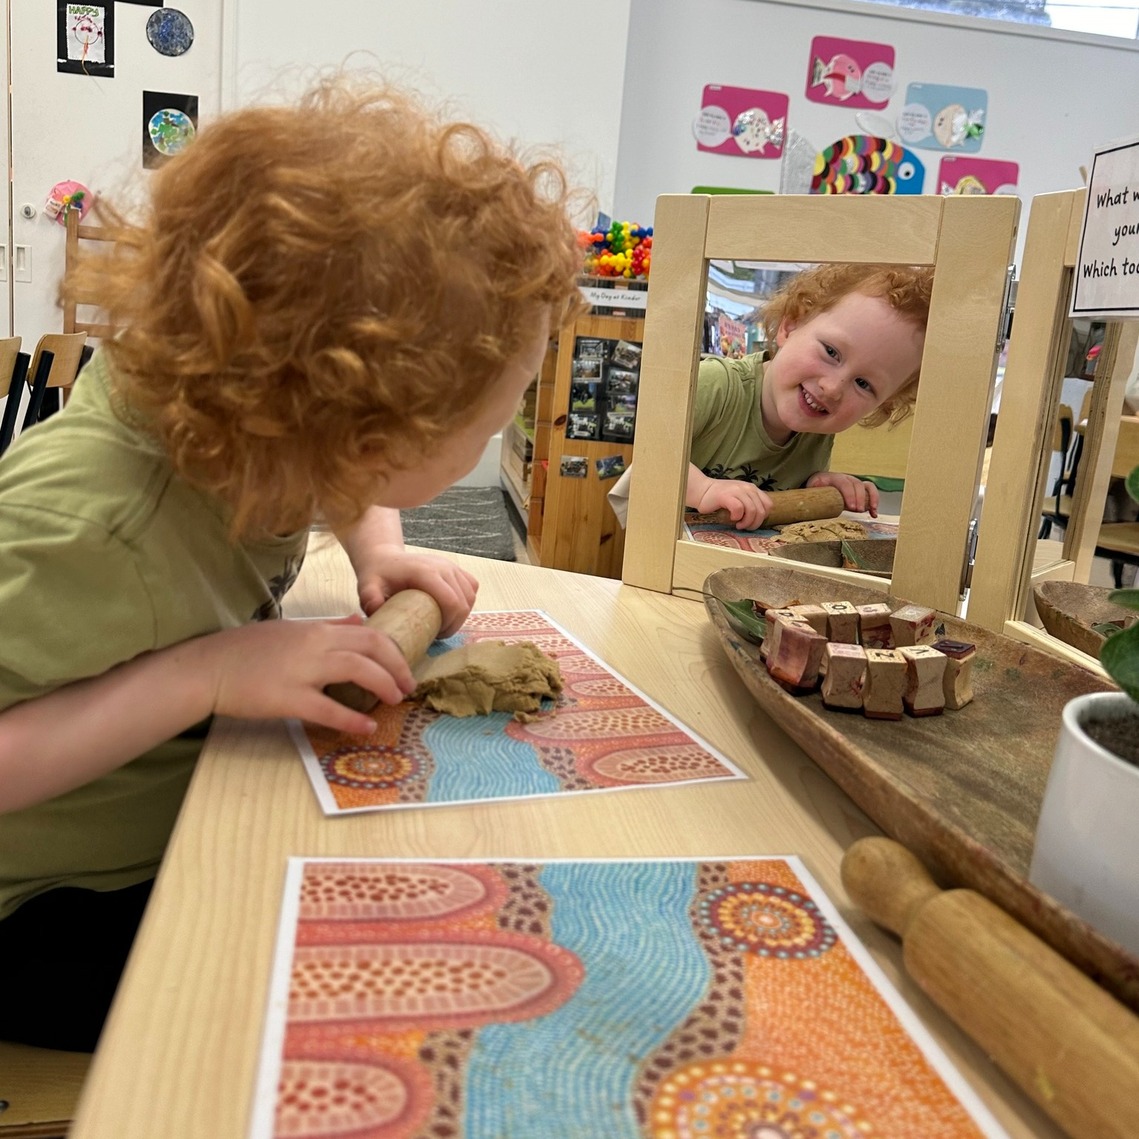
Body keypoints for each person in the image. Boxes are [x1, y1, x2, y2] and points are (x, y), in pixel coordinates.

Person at [0, 77, 585, 1051]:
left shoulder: (253, 419)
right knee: (340, 992)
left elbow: (343, 469)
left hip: (175, 804)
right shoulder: (89, 525)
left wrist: (380, 550)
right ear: (370, 430)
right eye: (497, 414)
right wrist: (205, 673)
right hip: (44, 909)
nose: (505, 427)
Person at [685, 262, 931, 529]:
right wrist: (702, 489)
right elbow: (654, 448)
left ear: (884, 404)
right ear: (790, 325)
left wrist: (814, 486)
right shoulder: (715, 384)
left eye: (863, 384)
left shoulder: (816, 429)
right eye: (831, 352)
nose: (833, 388)